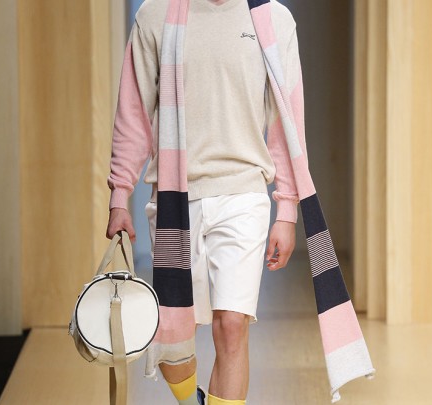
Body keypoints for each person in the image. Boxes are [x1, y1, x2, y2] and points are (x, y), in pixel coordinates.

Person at [106, 0, 302, 403]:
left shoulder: (273, 20)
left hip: (244, 194)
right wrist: (119, 194)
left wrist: (287, 208)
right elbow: (134, 114)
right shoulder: (154, 15)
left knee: (232, 326)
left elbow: (287, 123)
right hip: (175, 199)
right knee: (171, 337)